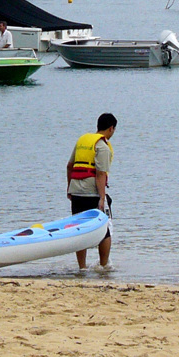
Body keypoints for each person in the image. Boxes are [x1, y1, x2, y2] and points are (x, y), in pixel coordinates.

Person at [66, 113, 117, 270]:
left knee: (79, 229)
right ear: (111, 128)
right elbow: (100, 174)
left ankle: (82, 267)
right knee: (104, 230)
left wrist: (69, 189)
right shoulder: (102, 146)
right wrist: (102, 198)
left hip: (76, 192)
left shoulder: (82, 141)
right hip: (92, 193)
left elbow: (69, 166)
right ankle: (103, 266)